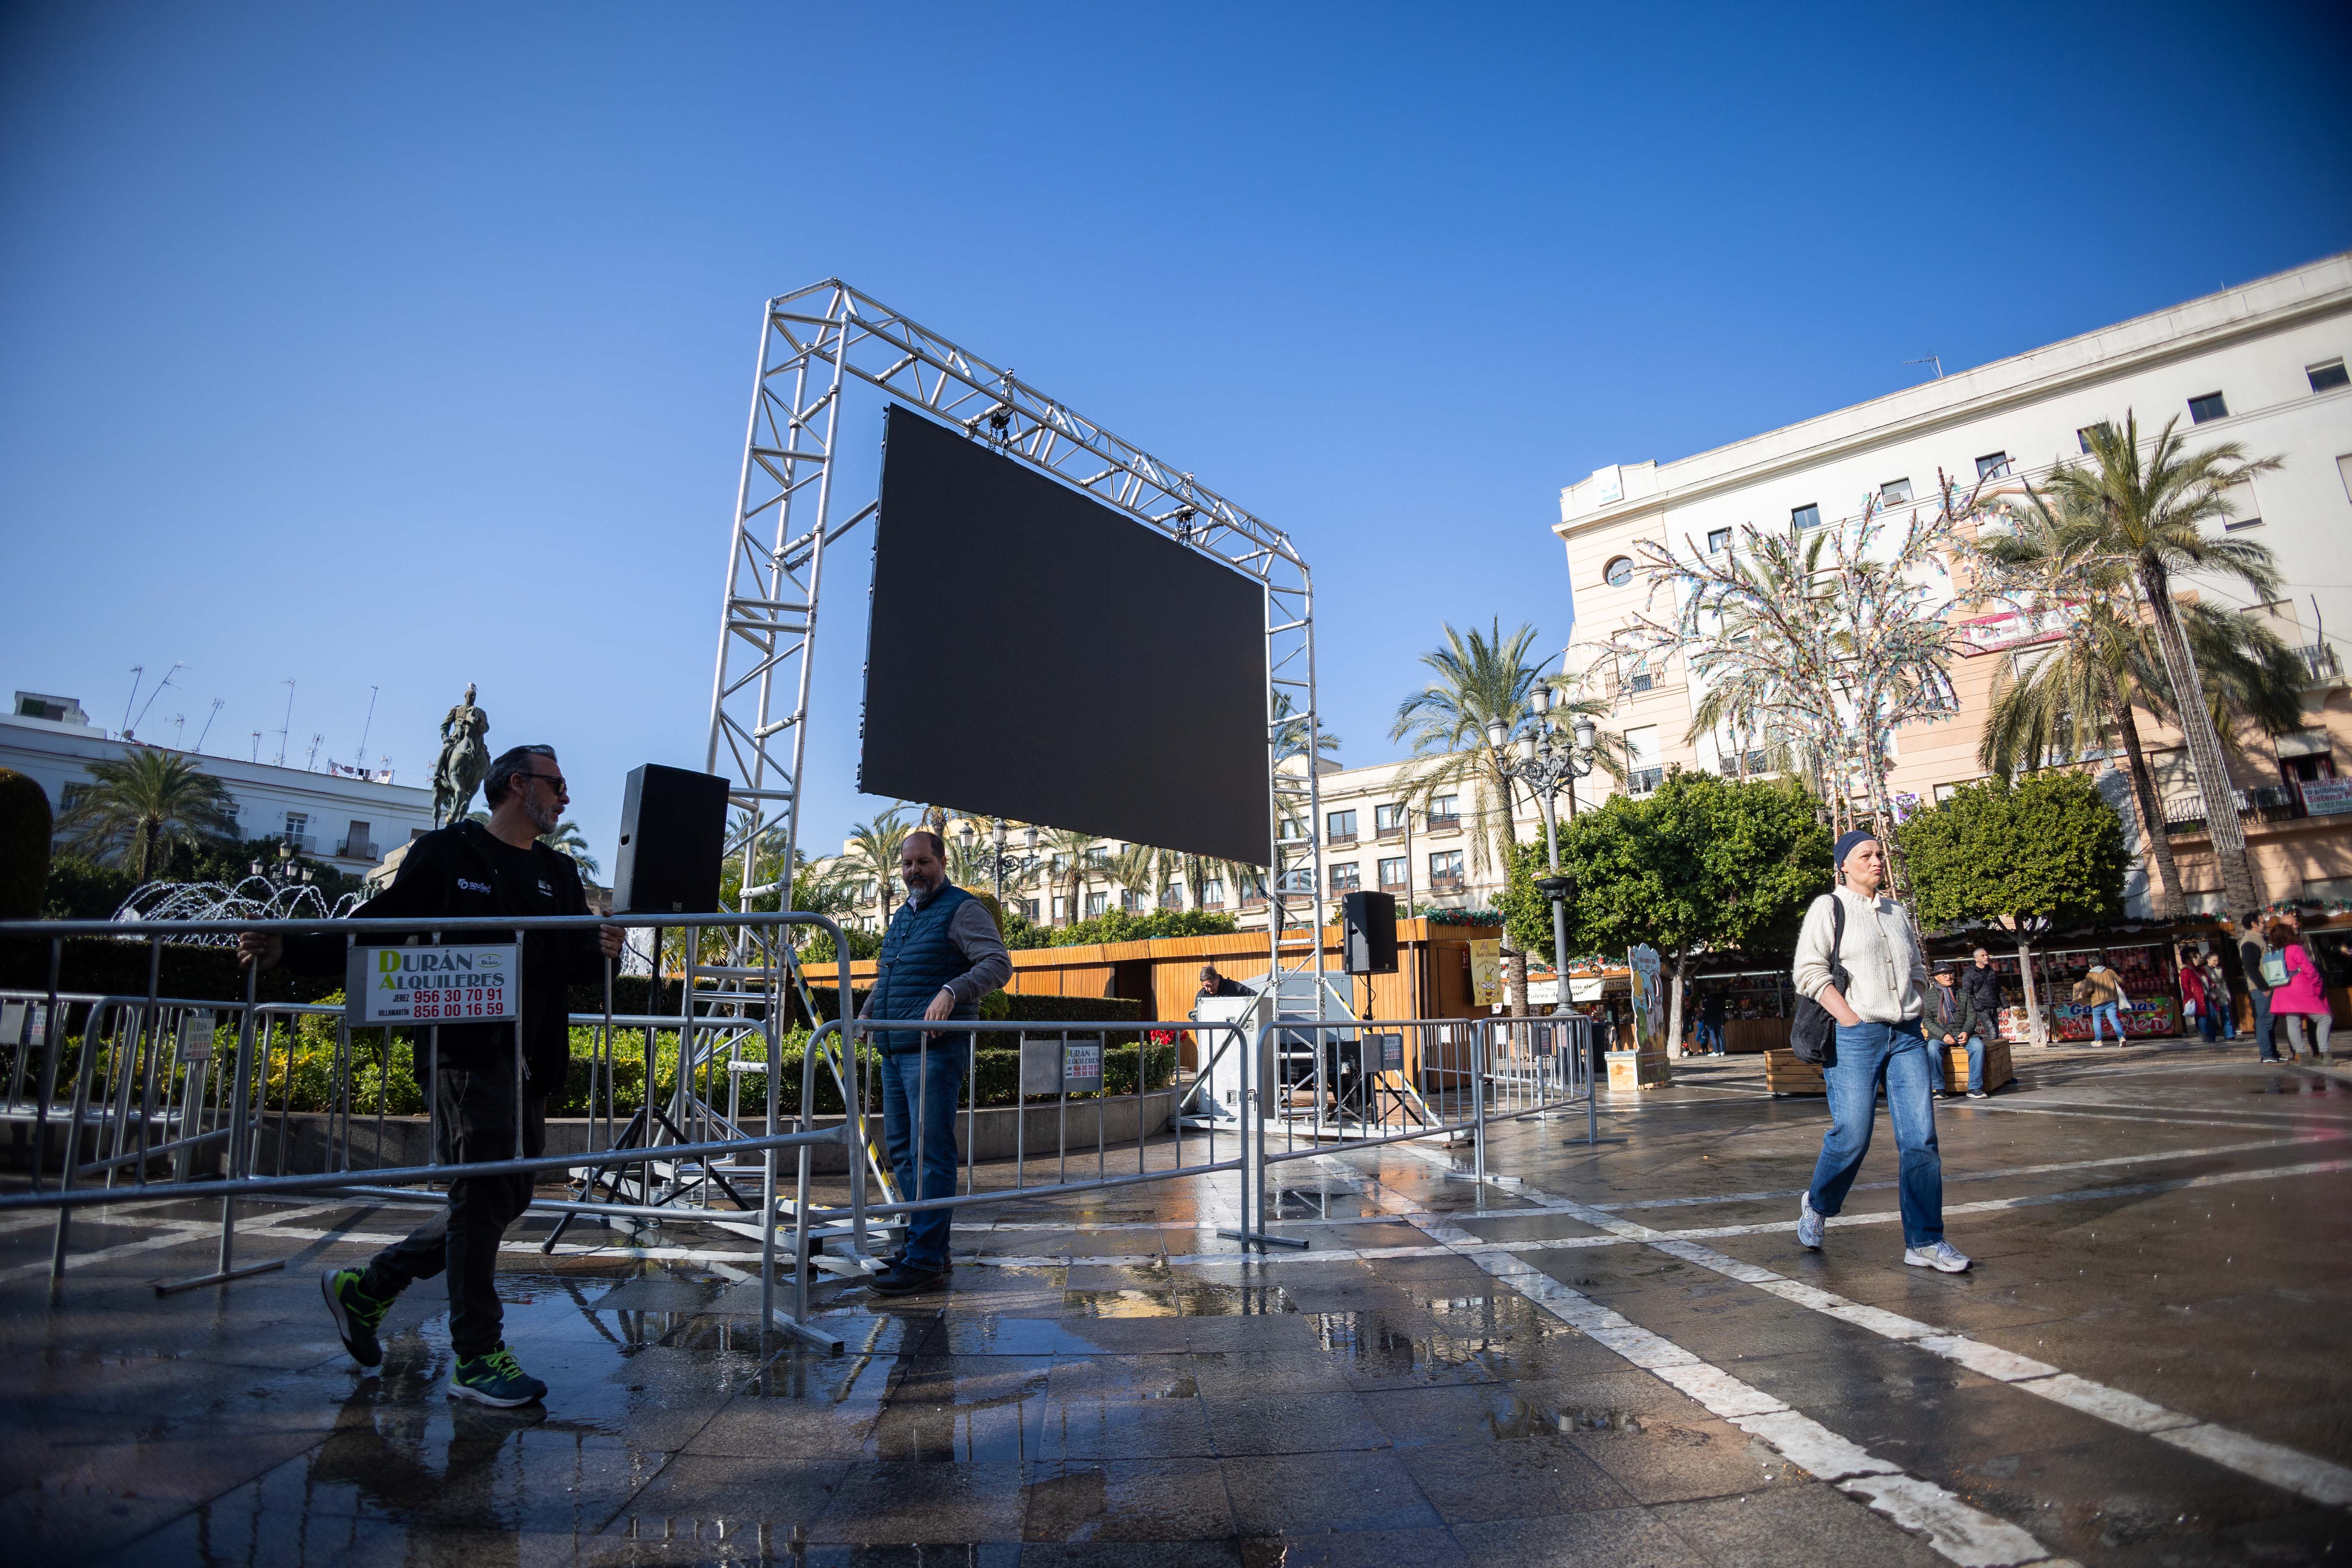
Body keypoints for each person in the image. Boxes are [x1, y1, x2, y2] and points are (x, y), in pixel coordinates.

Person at [240, 745, 623, 1407]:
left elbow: (574, 965)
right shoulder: (449, 853)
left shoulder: (558, 873)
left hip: (530, 1059)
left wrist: (603, 951)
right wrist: (293, 950)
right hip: (464, 1053)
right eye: (556, 784)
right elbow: (378, 927)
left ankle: (369, 1287)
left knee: (506, 1196)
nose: (565, 797)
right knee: (479, 1193)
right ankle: (476, 1354)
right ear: (513, 786)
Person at [1792, 829, 1968, 1272]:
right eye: (1865, 855)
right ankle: (1818, 1203)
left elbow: (1915, 966)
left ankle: (1925, 1241)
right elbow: (1809, 972)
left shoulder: (1896, 911)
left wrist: (1916, 991)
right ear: (1844, 865)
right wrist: (1849, 1017)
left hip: (1907, 1035)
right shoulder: (1828, 908)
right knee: (1853, 1134)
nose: (1877, 862)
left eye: (1879, 854)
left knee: (1921, 1139)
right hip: (1856, 1036)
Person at [856, 830, 1012, 1295]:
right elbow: (889, 978)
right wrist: (868, 1013)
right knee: (904, 1152)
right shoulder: (903, 916)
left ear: (942, 863)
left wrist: (951, 992)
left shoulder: (963, 909)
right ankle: (929, 1247)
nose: (913, 872)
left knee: (931, 1153)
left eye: (923, 862)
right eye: (907, 865)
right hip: (893, 1050)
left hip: (934, 1052)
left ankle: (923, 1258)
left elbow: (997, 964)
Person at [2269, 920, 2336, 1063]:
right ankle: (2325, 1053)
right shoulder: (2295, 949)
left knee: (2293, 1023)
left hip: (2282, 992)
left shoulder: (2275, 952)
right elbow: (2310, 971)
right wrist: (2318, 987)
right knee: (2325, 1018)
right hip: (2301, 991)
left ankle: (2303, 1055)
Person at [1928, 964, 1990, 1099]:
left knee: (1978, 1047)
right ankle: (1939, 1089)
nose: (1949, 977)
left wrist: (1966, 1032)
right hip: (1940, 1035)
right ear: (1936, 978)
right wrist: (1944, 1035)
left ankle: (1975, 1088)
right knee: (1932, 1050)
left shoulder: (1963, 993)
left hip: (1964, 1032)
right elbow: (1927, 1020)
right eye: (1944, 974)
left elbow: (1972, 1015)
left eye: (1950, 973)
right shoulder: (1928, 996)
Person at [2241, 914, 2283, 1063]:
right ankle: (2267, 1055)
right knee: (2264, 1020)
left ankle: (2273, 1053)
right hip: (2261, 989)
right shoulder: (2250, 941)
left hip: (2266, 987)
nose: (2266, 924)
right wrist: (2264, 987)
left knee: (2270, 1020)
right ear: (2254, 924)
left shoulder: (2258, 939)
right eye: (2263, 922)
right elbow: (2250, 967)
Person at [2073, 957, 2131, 1046]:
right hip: (2111, 1000)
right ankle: (2122, 1038)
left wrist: (2082, 995)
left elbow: (2089, 989)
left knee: (2097, 1020)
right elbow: (2120, 981)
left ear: (2091, 965)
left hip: (2098, 1001)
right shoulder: (2110, 972)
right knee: (2114, 1019)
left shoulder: (2090, 975)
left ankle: (2099, 1041)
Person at [1960, 947, 2004, 1027]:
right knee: (1992, 1031)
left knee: (1996, 1030)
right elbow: (1967, 994)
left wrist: (2006, 1006)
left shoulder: (1991, 972)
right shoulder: (1969, 975)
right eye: (1983, 956)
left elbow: (1998, 990)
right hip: (1982, 1008)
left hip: (1993, 1006)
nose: (1986, 957)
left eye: (1987, 955)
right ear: (1976, 959)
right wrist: (1980, 1007)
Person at [2177, 952, 2215, 1043]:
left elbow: (2208, 980)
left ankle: (2211, 1035)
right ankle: (2205, 1034)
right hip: (2197, 996)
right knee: (2203, 1015)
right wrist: (2190, 997)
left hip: (2206, 995)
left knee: (2212, 1014)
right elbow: (2185, 986)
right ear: (2193, 959)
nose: (2200, 959)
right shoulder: (2186, 971)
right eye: (2198, 958)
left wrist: (2212, 985)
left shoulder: (2201, 969)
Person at [2204, 951, 2240, 1042]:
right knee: (2212, 1016)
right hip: (2211, 993)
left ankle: (2229, 1034)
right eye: (2214, 961)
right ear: (2208, 960)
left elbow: (2223, 983)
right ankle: (2211, 1036)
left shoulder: (2220, 969)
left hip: (2221, 992)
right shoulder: (2204, 969)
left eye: (2217, 961)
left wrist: (2227, 994)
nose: (2216, 963)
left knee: (2226, 1013)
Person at [1700, 989, 1728, 1055]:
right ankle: (1722, 1051)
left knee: (1713, 1036)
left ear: (1703, 994)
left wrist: (1701, 1019)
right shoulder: (1717, 999)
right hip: (1718, 1020)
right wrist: (1723, 1022)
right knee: (1719, 1036)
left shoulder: (1705, 1000)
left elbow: (1705, 1013)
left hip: (1710, 1021)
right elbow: (1722, 1012)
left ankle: (1716, 1051)